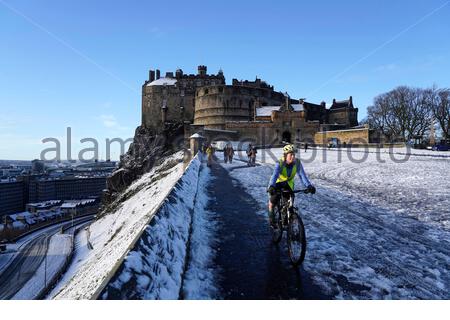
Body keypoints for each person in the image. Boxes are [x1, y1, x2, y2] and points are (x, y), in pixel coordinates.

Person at [267, 144, 316, 228]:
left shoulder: (297, 163)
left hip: (288, 184)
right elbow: (274, 175)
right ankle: (271, 219)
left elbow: (302, 175)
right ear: (285, 155)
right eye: (291, 155)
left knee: (289, 202)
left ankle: (287, 220)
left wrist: (309, 186)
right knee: (273, 201)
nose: (293, 157)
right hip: (277, 183)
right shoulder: (280, 163)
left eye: (294, 154)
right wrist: (272, 186)